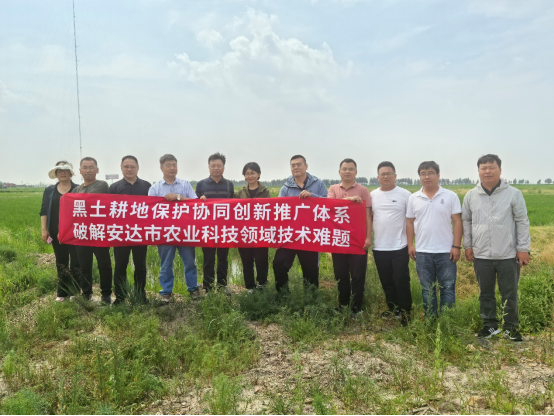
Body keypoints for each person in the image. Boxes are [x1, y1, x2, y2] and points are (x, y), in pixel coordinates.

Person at [462, 154, 530, 342]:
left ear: (500, 169)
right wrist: (468, 246)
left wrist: (523, 248)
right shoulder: (471, 196)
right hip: (481, 254)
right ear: (478, 171)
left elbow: (522, 221)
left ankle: (510, 328)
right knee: (485, 293)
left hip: (508, 253)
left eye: (491, 167)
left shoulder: (513, 194)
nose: (487, 171)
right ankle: (490, 325)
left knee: (510, 293)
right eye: (483, 168)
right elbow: (466, 222)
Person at [406, 161, 462, 318]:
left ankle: (447, 321)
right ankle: (430, 321)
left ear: (438, 175)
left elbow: (457, 222)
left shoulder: (450, 196)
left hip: (446, 251)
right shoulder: (414, 198)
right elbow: (409, 222)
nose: (427, 177)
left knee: (448, 288)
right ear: (419, 177)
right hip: (423, 251)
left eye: (430, 173)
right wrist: (410, 245)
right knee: (427, 289)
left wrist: (456, 246)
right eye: (423, 174)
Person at [273, 155, 328, 292]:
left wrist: (312, 196)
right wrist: (278, 236)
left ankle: (311, 299)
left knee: (310, 270)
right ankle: (283, 296)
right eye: (293, 165)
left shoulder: (318, 184)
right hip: (290, 234)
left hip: (310, 235)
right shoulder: (285, 188)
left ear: (306, 166)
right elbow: (280, 212)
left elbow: (328, 204)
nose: (296, 167)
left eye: (299, 164)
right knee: (279, 264)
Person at [149, 154, 200, 303]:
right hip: (165, 232)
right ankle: (166, 292)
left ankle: (193, 289)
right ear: (161, 168)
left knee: (190, 262)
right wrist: (153, 234)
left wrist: (179, 197)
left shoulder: (185, 185)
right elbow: (150, 212)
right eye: (168, 165)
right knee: (166, 264)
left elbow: (195, 204)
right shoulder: (155, 188)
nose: (172, 168)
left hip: (185, 231)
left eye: (174, 165)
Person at [328, 159, 372, 320]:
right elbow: (329, 206)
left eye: (351, 169)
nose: (347, 171)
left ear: (356, 172)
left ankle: (356, 307)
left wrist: (368, 237)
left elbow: (368, 216)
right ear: (339, 172)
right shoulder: (333, 189)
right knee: (341, 275)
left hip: (357, 240)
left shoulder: (363, 190)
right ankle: (343, 305)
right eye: (344, 169)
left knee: (358, 275)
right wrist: (349, 200)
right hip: (338, 239)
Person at [371, 161, 414, 325]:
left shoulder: (405, 195)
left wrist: (410, 244)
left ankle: (406, 312)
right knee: (386, 281)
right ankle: (393, 308)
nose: (386, 176)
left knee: (401, 279)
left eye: (389, 173)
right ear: (378, 177)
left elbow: (411, 221)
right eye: (382, 174)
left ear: (395, 176)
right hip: (379, 246)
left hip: (400, 246)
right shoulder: (372, 195)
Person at [109, 156, 152, 306]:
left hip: (140, 233)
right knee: (120, 266)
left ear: (138, 168)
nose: (129, 169)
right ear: (121, 168)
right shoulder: (114, 188)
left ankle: (140, 295)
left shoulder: (147, 186)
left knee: (140, 265)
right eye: (126, 166)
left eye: (132, 166)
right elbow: (108, 210)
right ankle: (120, 297)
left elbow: (154, 208)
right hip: (120, 233)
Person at [71, 157, 113, 304]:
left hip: (98, 232)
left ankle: (106, 294)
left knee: (104, 265)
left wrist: (75, 200)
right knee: (84, 266)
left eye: (91, 167)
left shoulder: (101, 184)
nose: (88, 170)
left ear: (97, 170)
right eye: (85, 167)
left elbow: (89, 199)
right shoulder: (76, 189)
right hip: (82, 232)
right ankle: (86, 294)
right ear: (80, 171)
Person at [40, 161, 80, 302]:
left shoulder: (78, 189)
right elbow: (44, 211)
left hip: (75, 232)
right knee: (61, 261)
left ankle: (75, 291)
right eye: (59, 170)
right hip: (55, 231)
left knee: (76, 262)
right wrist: (44, 229)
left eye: (66, 170)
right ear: (56, 173)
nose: (63, 173)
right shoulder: (49, 191)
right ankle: (62, 292)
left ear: (71, 173)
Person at [196, 153, 235, 295]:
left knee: (223, 258)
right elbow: (194, 205)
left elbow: (233, 205)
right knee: (208, 258)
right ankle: (208, 286)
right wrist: (200, 199)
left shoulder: (229, 184)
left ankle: (222, 285)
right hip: (207, 228)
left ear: (224, 167)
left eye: (219, 165)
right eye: (213, 166)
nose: (216, 168)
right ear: (209, 167)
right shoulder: (201, 184)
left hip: (224, 228)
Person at [236, 162, 271, 293]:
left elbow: (270, 211)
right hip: (244, 232)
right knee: (246, 260)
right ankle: (250, 286)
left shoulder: (265, 192)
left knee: (261, 259)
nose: (250, 176)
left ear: (259, 174)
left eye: (253, 173)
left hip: (260, 232)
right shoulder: (240, 193)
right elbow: (233, 211)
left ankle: (262, 284)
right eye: (247, 173)